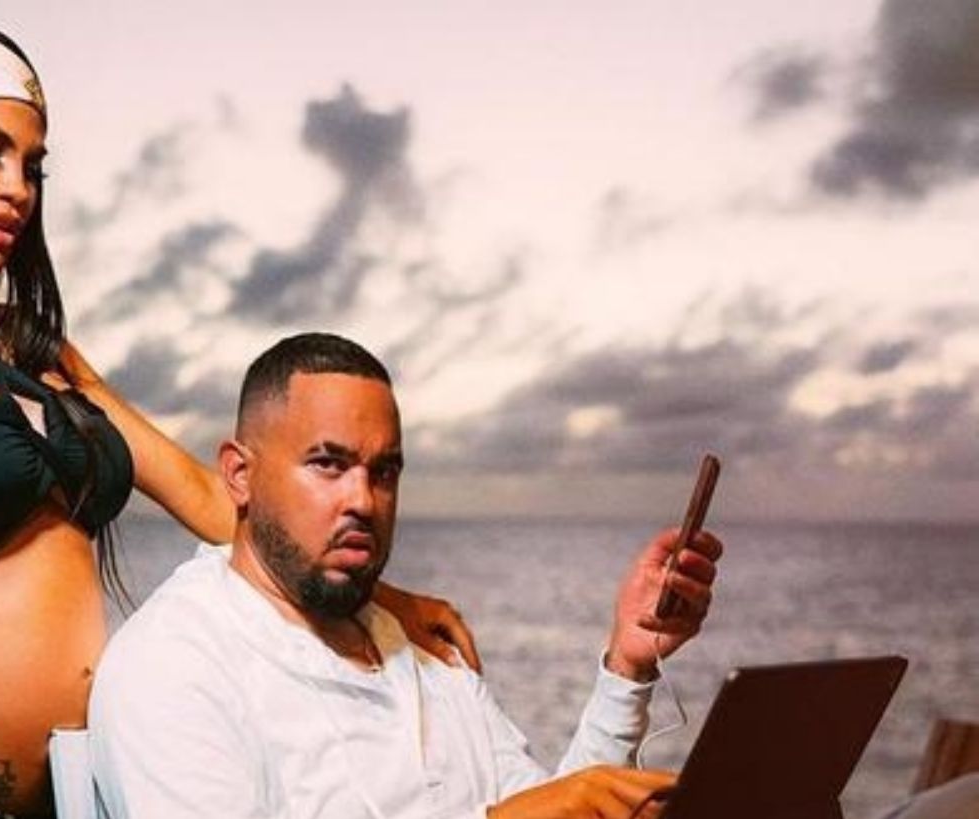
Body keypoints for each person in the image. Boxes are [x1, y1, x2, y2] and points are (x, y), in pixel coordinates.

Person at [0, 14, 476, 819]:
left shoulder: (34, 346)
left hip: (74, 794)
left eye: (33, 166)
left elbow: (210, 496)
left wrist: (382, 599)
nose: (17, 188)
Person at [90, 333, 724, 819]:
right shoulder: (177, 666)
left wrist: (627, 669)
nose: (363, 500)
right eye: (328, 464)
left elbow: (562, 809)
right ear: (239, 475)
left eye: (384, 472)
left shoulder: (421, 652)